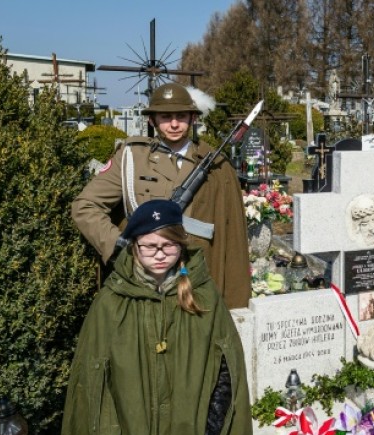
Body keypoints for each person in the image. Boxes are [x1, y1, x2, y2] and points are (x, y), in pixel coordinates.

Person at [49, 200, 253, 435]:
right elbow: (90, 382)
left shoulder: (204, 296)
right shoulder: (111, 302)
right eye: (149, 246)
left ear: (181, 243)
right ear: (134, 247)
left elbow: (227, 367)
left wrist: (210, 430)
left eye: (169, 245)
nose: (159, 254)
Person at [72, 81, 252, 309]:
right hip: (143, 280)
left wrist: (236, 306)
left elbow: (233, 238)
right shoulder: (132, 158)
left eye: (181, 116)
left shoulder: (217, 165)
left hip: (197, 280)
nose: (174, 124)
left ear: (193, 118)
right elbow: (85, 205)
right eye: (166, 117)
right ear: (152, 120)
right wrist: (117, 245)